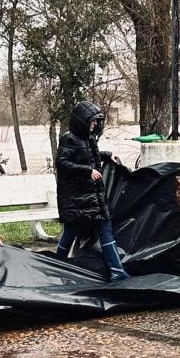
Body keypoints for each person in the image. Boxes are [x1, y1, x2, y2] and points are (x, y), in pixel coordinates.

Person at [55, 101, 128, 282]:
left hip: (92, 197)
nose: (94, 124)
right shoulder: (69, 139)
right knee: (70, 233)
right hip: (76, 198)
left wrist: (107, 154)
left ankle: (117, 272)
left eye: (96, 122)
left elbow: (90, 155)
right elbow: (62, 163)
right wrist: (87, 170)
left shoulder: (88, 139)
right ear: (82, 121)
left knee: (105, 229)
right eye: (92, 121)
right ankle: (56, 265)